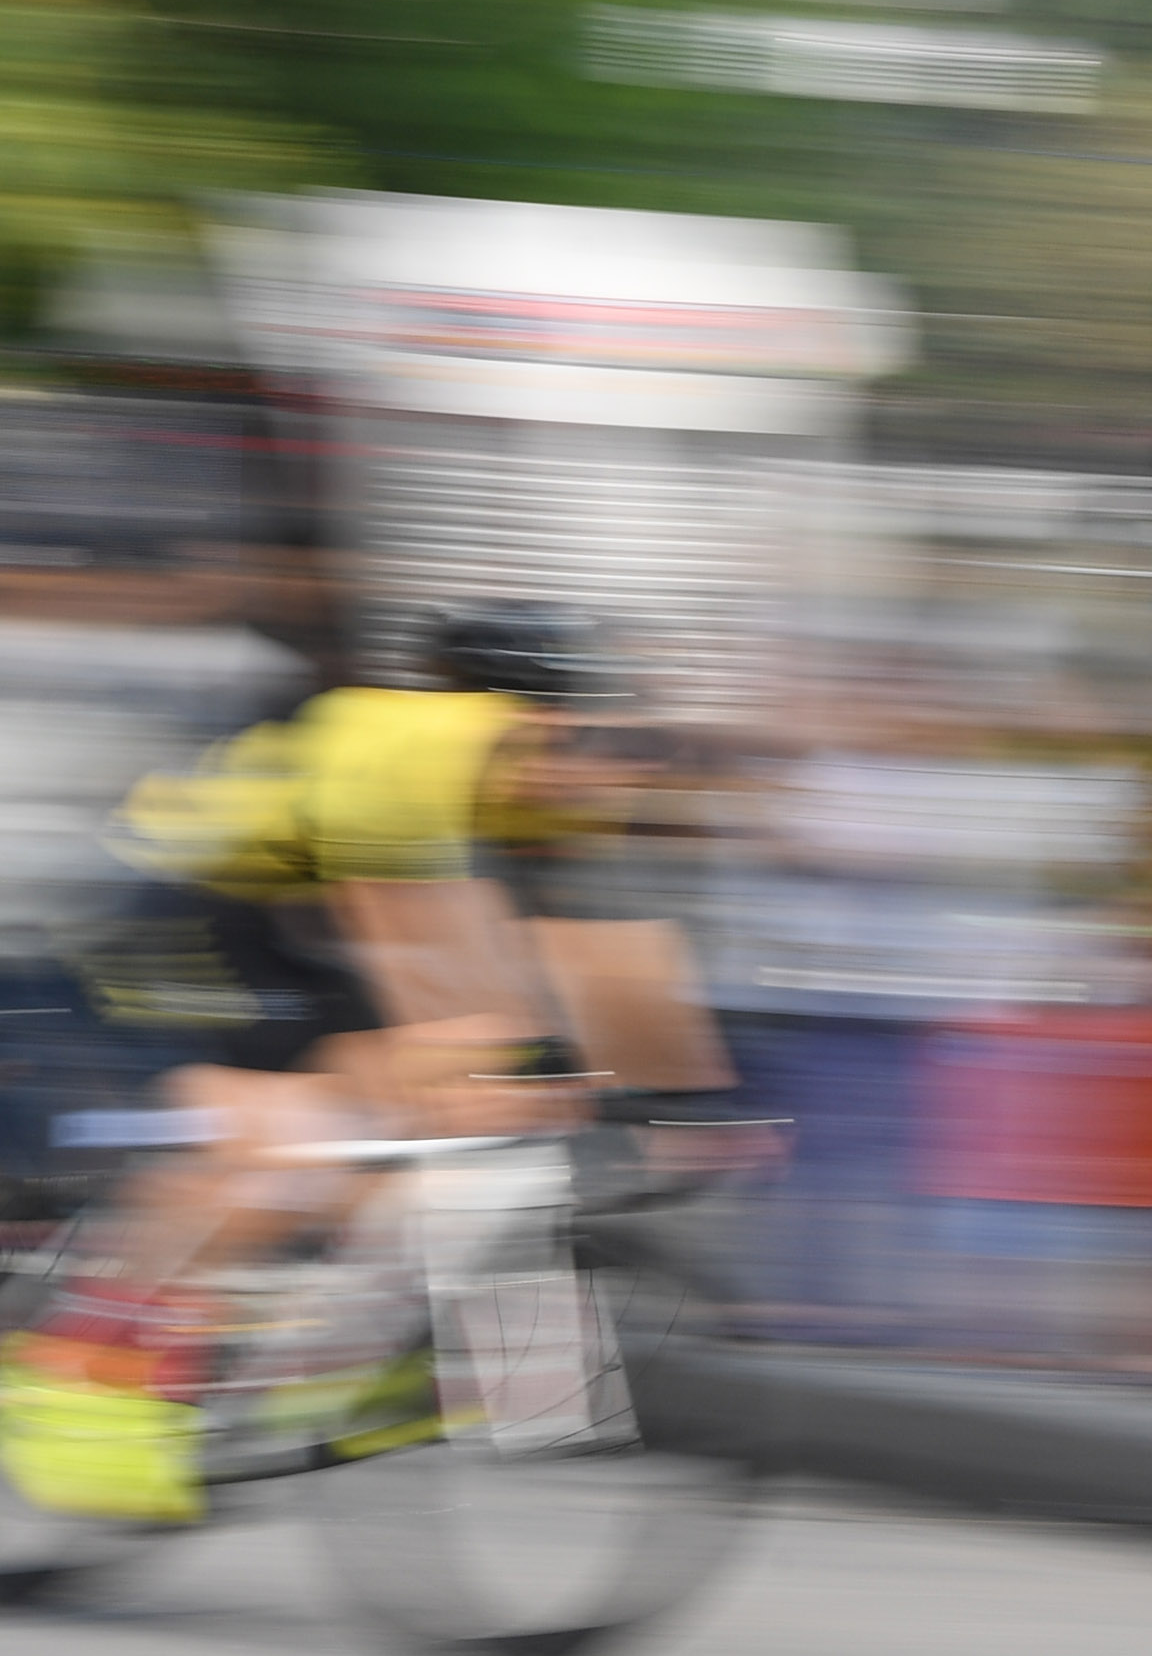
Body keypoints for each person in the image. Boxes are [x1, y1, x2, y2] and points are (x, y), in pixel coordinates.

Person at [6, 604, 710, 1509]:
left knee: (456, 1110)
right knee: (279, 1133)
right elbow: (423, 952)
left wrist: (686, 1099)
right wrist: (535, 1073)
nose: (601, 765)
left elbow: (585, 950)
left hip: (285, 934)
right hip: (162, 922)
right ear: (524, 718)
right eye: (580, 737)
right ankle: (81, 1377)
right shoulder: (410, 746)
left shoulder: (540, 788)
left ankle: (353, 1354)